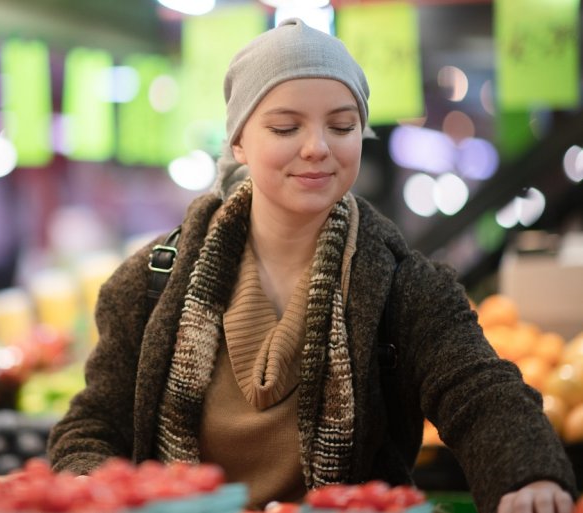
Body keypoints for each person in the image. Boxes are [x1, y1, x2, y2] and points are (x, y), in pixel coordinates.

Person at [47, 18, 577, 513]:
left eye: (342, 127)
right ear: (238, 143)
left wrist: (529, 474)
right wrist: (87, 485)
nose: (318, 148)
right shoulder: (148, 285)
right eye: (284, 128)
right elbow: (93, 424)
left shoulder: (405, 286)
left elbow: (477, 390)